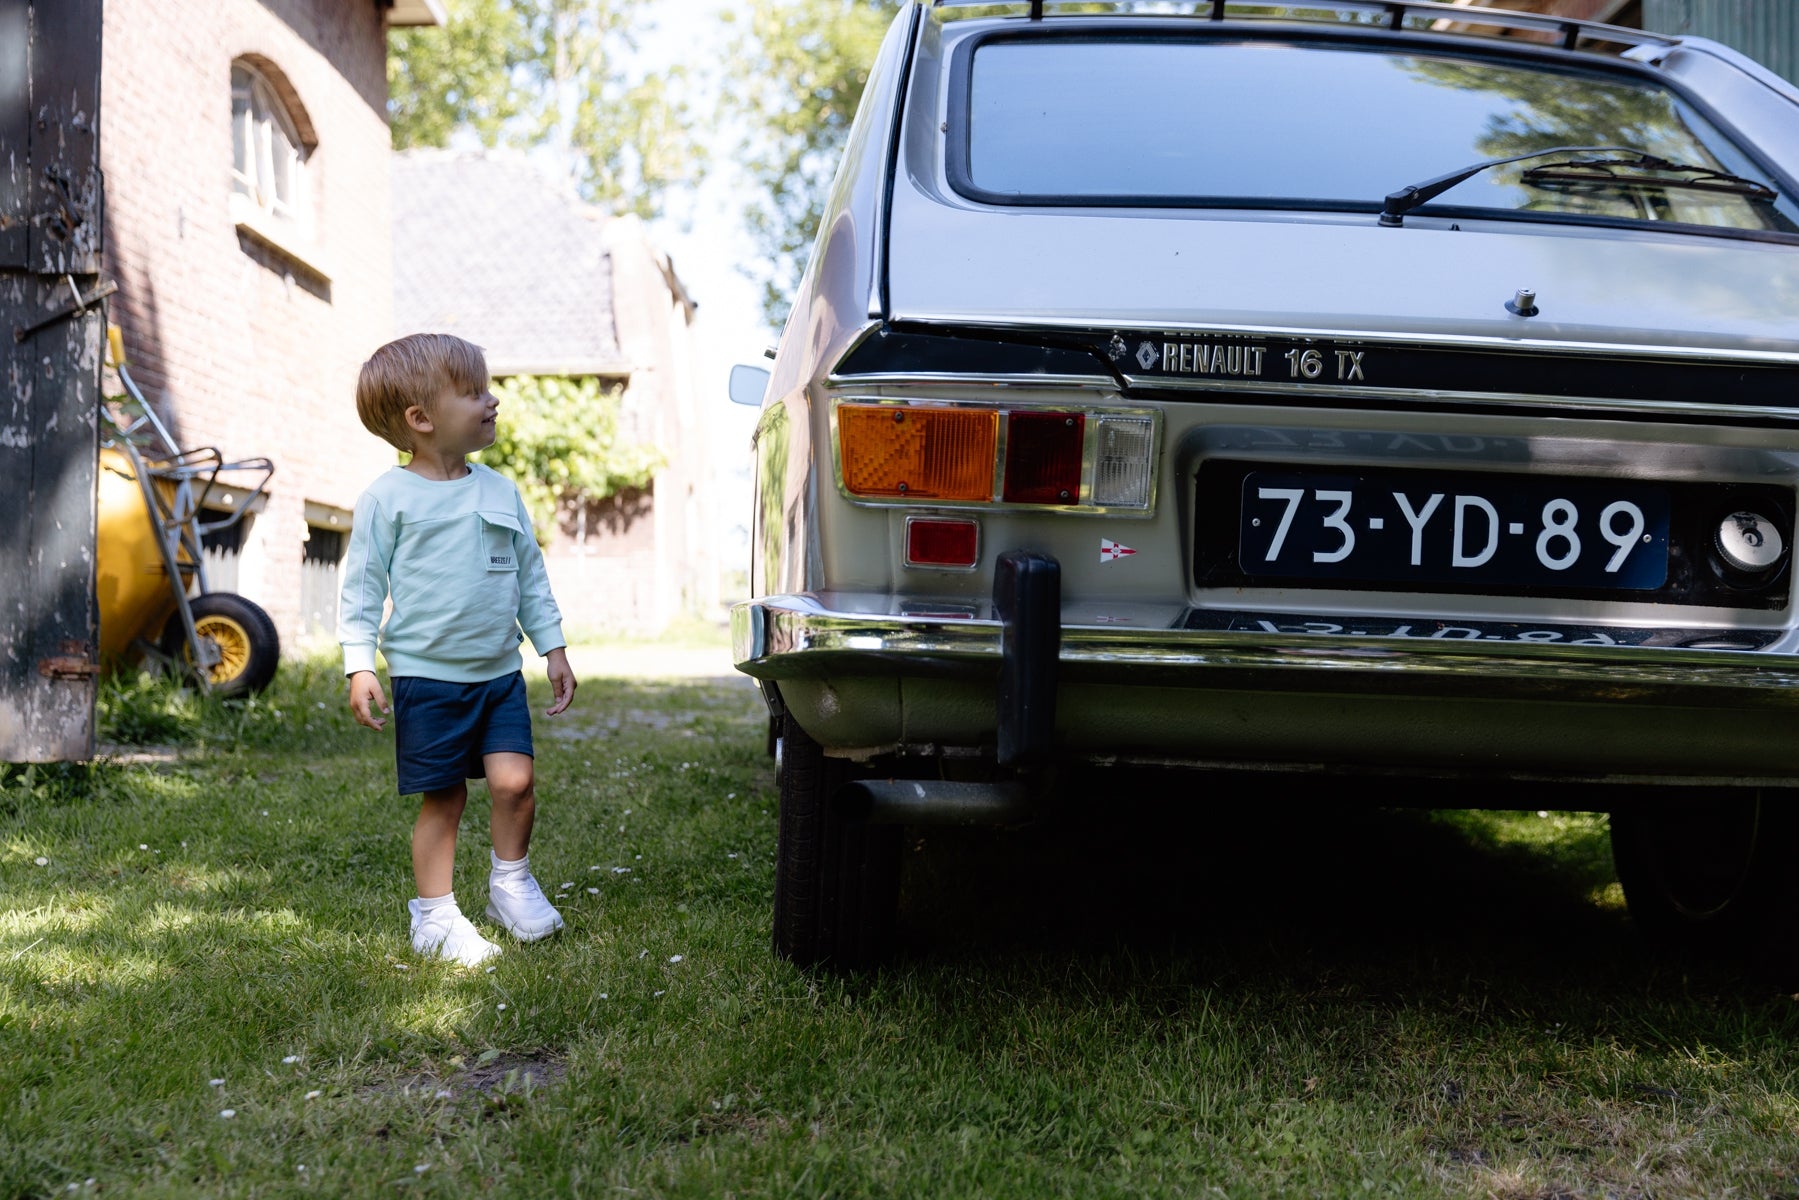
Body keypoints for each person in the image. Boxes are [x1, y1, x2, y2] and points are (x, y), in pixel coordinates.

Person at [339, 332, 577, 967]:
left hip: (499, 673)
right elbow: (361, 586)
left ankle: (511, 883)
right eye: (473, 392)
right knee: (445, 797)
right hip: (428, 678)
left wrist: (551, 647)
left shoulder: (499, 491)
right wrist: (359, 661)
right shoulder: (388, 499)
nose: (491, 400)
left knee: (515, 782)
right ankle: (436, 916)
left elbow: (529, 574)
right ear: (421, 420)